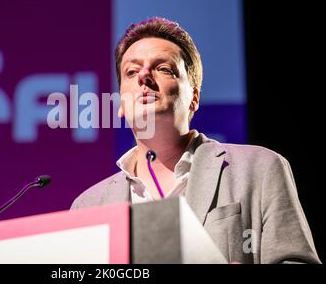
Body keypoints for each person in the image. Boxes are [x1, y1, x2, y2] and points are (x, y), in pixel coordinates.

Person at [70, 17, 321, 264]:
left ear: (194, 97)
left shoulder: (261, 168)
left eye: (163, 68)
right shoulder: (87, 207)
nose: (144, 77)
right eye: (131, 71)